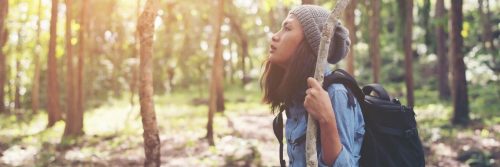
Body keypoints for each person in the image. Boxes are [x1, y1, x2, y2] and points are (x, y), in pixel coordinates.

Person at [261, 5, 365, 167]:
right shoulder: (297, 92)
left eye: (287, 28)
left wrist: (326, 120)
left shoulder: (335, 94)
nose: (275, 36)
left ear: (309, 44)